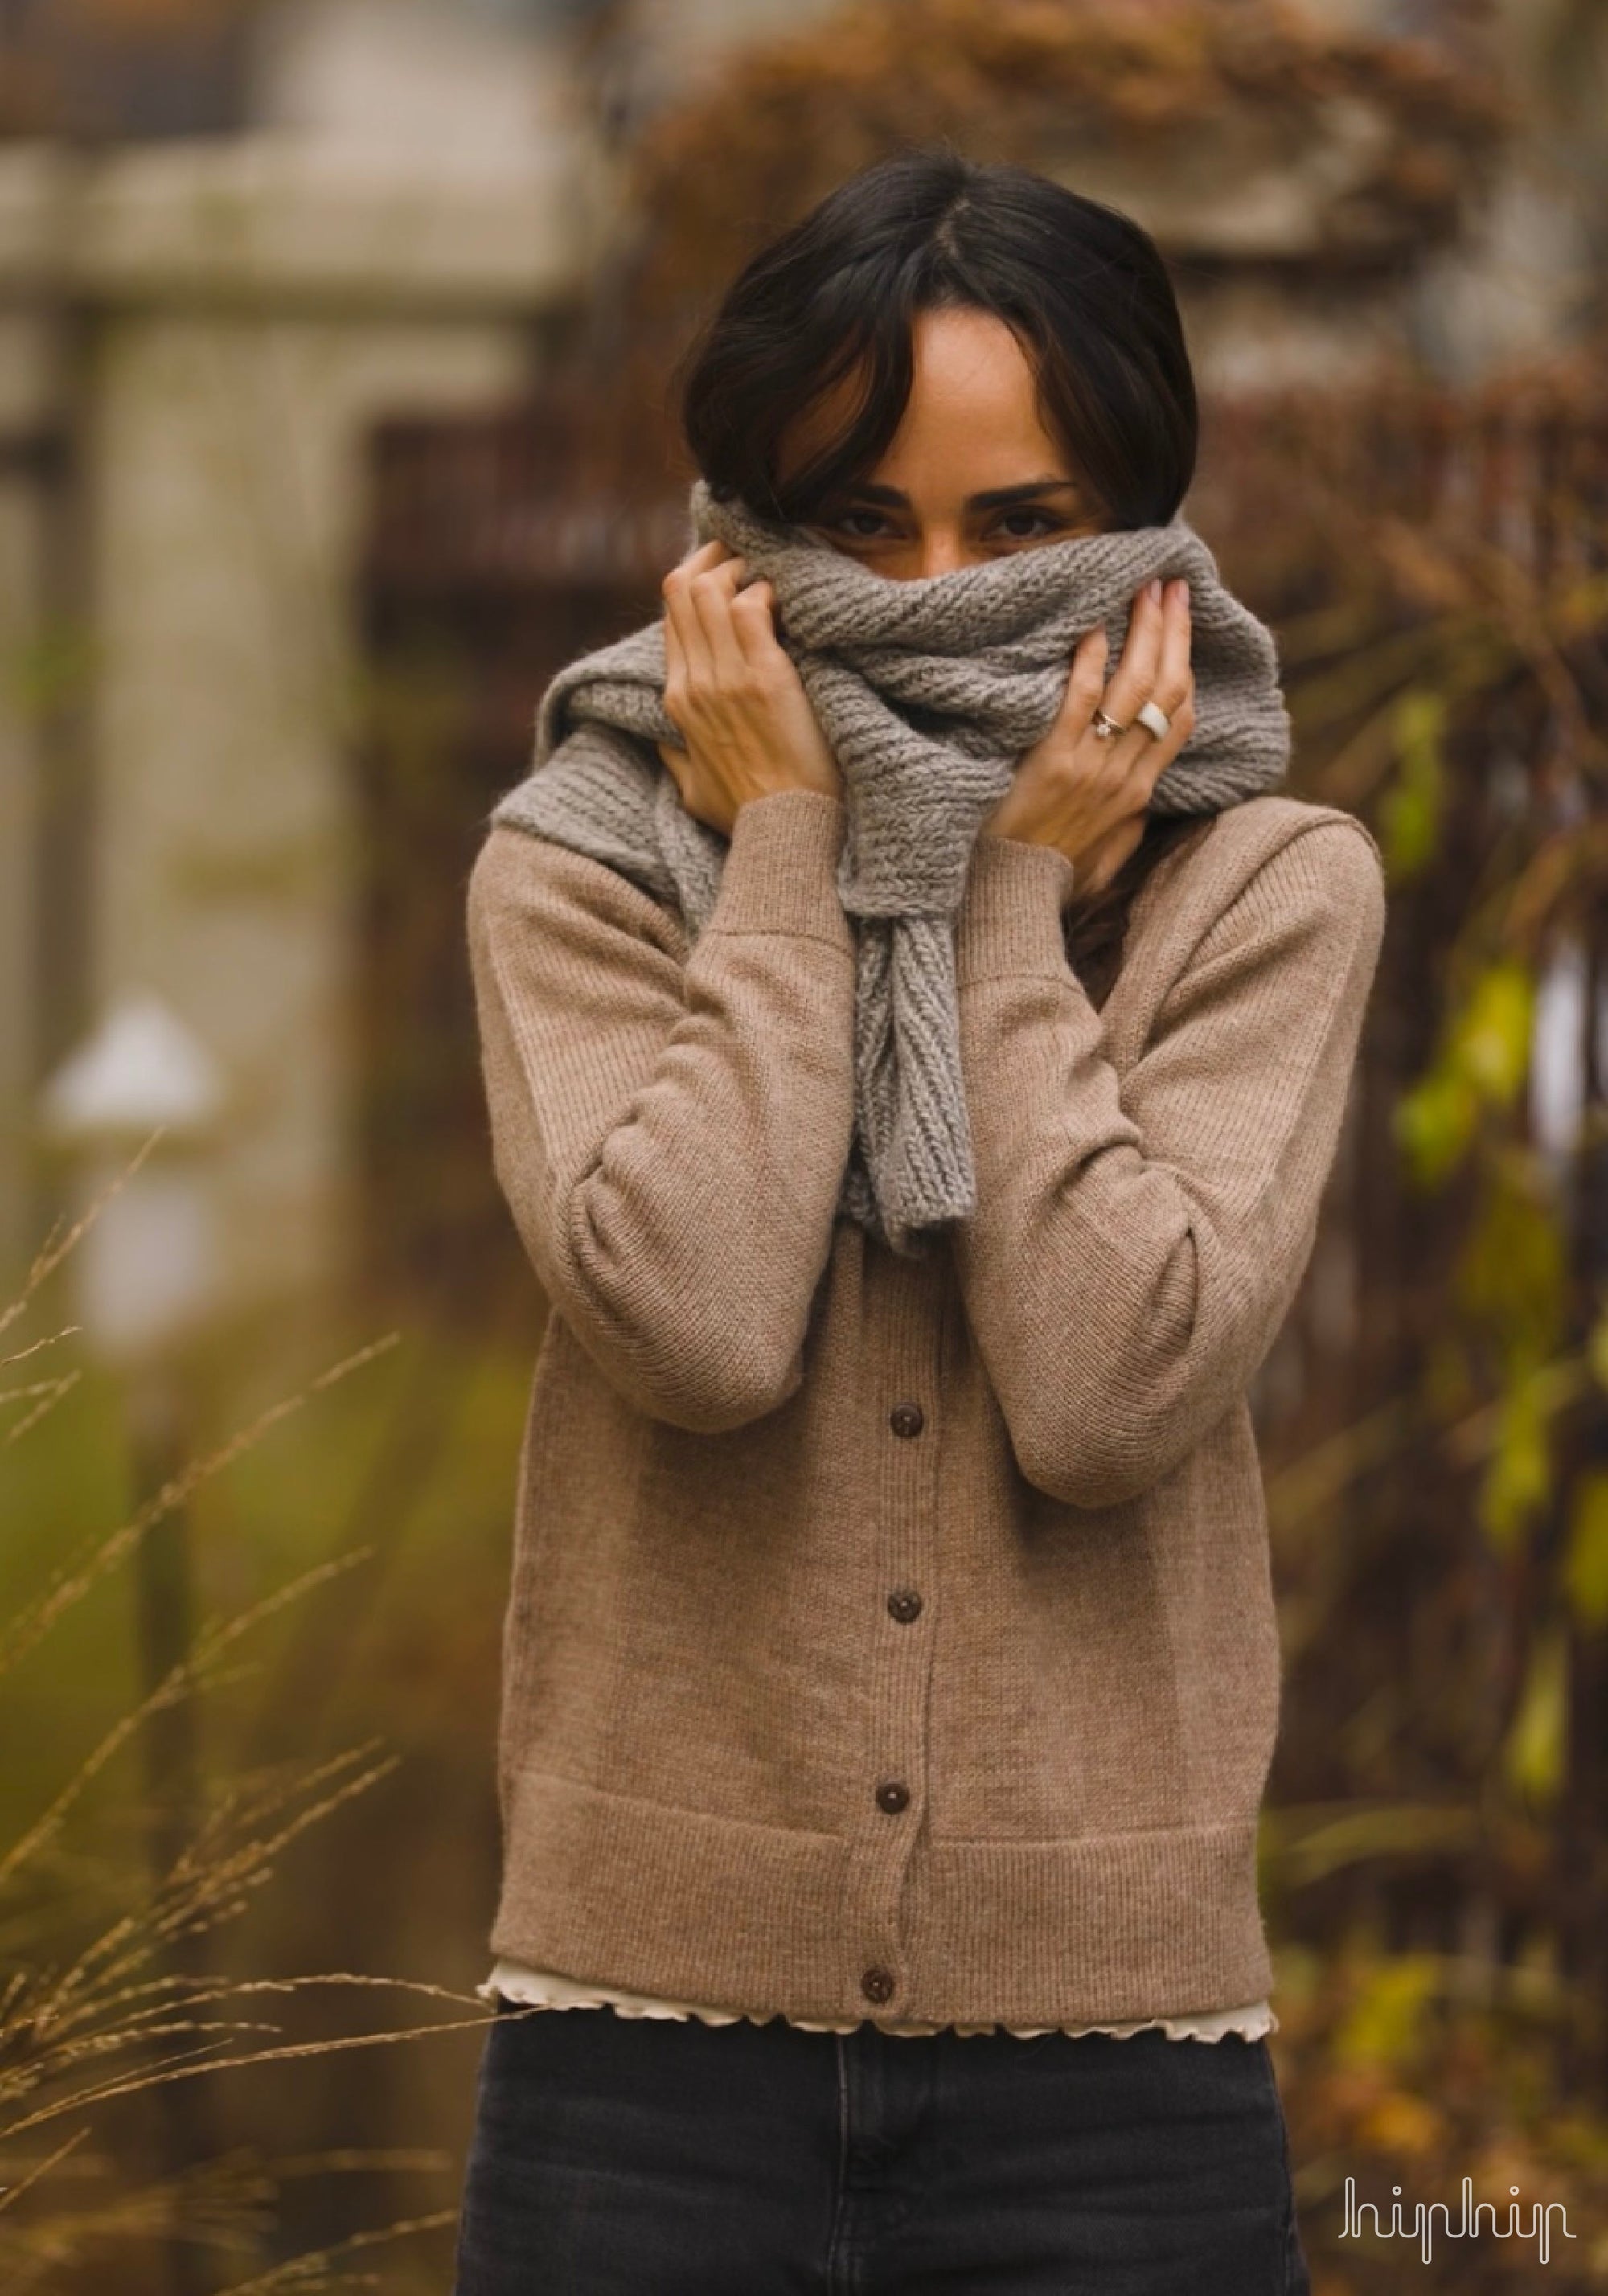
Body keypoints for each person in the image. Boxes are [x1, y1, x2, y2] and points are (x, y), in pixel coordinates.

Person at [454, 148, 1385, 2294]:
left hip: (1117, 2095)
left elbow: (1110, 1385)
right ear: (744, 541)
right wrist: (791, 835)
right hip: (642, 2076)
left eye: (1021, 526)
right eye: (863, 526)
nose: (937, 588)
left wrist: (1007, 906)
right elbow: (687, 1317)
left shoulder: (1269, 885)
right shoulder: (587, 855)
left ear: (1139, 532)